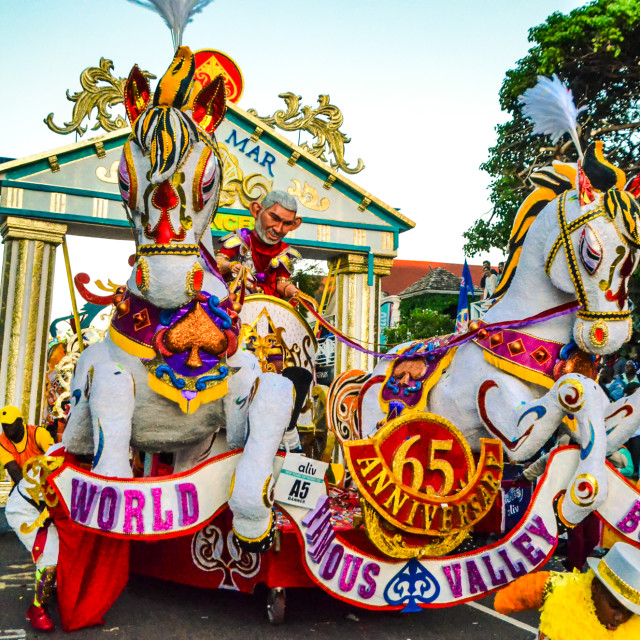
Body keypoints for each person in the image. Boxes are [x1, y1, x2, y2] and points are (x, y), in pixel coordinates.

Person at [494, 541, 640, 638]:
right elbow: (509, 598)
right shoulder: (562, 588)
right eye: (614, 607)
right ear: (595, 587)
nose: (620, 618)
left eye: (630, 611)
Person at [1, 405, 60, 632]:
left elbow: (56, 458)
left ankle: (51, 589)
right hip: (24, 505)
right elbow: (17, 475)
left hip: (48, 497)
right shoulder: (2, 442)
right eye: (4, 426)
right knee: (48, 555)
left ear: (21, 421)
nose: (7, 430)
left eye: (11, 425)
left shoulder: (39, 434)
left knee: (62, 548)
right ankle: (38, 609)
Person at [216, 190, 311, 302]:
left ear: (295, 224)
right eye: (274, 219)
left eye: (286, 223)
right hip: (234, 300)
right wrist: (230, 265)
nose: (278, 229)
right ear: (257, 211)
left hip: (266, 303)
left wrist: (294, 291)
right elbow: (217, 263)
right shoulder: (241, 239)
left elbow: (281, 283)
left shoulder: (283, 252)